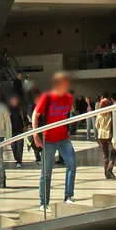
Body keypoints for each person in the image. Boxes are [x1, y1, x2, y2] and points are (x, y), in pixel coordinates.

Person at [33, 72, 77, 208]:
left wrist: (68, 130)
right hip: (49, 139)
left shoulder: (69, 98)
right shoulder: (47, 97)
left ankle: (68, 196)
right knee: (46, 172)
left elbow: (68, 115)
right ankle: (43, 202)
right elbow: (35, 115)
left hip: (63, 138)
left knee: (72, 165)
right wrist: (35, 135)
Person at [94, 96, 116, 179]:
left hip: (101, 135)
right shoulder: (111, 113)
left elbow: (96, 125)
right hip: (109, 135)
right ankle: (109, 169)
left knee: (105, 155)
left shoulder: (99, 114)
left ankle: (106, 173)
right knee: (114, 151)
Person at [7, 94, 27, 168]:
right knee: (14, 147)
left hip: (20, 131)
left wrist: (27, 125)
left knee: (20, 146)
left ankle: (19, 161)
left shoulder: (21, 109)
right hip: (12, 131)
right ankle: (16, 158)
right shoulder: (8, 110)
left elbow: (25, 119)